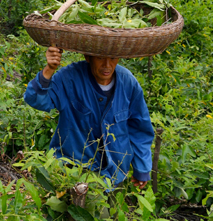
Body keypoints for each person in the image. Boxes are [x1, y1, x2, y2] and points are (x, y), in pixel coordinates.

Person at [23, 46, 154, 187]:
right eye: (100, 58)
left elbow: (140, 128)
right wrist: (49, 69)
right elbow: (35, 99)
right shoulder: (70, 78)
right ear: (88, 57)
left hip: (115, 173)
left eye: (113, 58)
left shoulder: (128, 83)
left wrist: (142, 168)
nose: (107, 65)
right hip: (73, 170)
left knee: (114, 207)